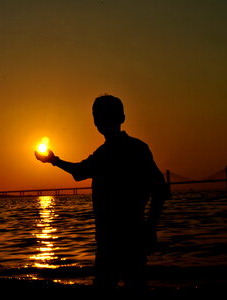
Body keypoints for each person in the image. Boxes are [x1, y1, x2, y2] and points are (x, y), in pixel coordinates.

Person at [35, 94, 170, 289]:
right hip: (122, 235)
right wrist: (150, 226)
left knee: (111, 287)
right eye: (97, 116)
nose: (98, 120)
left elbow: (159, 189)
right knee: (134, 284)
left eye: (100, 116)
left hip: (118, 237)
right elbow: (160, 189)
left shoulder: (114, 152)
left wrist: (150, 226)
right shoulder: (128, 149)